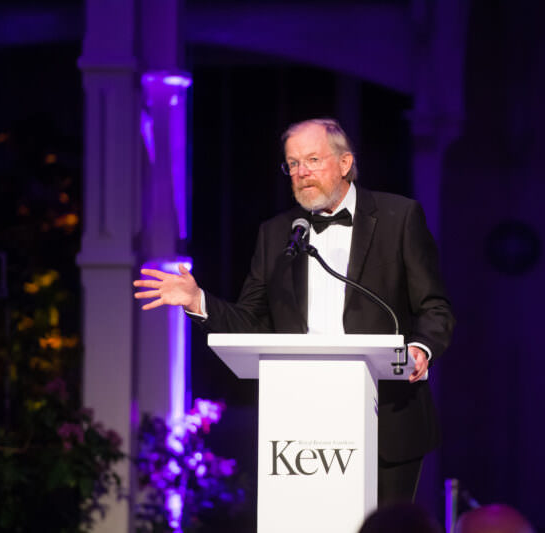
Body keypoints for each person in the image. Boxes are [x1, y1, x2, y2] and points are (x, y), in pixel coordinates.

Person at [133, 118, 455, 504]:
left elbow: (434, 307)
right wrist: (198, 300)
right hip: (300, 421)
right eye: (293, 164)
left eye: (313, 160)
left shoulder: (399, 217)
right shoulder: (276, 234)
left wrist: (420, 349)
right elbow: (251, 323)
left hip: (387, 416)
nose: (301, 173)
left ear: (345, 163)